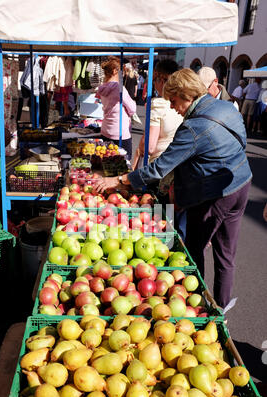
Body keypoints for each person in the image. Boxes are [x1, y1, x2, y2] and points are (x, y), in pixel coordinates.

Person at [93, 68, 253, 310]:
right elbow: (239, 142)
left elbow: (159, 167)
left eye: (174, 101)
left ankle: (192, 302)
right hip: (242, 183)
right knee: (226, 254)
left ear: (186, 95)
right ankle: (221, 307)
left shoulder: (193, 127)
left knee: (194, 249)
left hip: (215, 193)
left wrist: (120, 179)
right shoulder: (228, 108)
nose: (173, 107)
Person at [131, 59, 184, 239]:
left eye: (155, 80)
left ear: (161, 80)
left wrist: (138, 154)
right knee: (173, 224)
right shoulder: (186, 104)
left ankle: (164, 249)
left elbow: (150, 146)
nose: (154, 83)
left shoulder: (159, 105)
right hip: (180, 170)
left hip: (160, 172)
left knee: (158, 224)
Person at [95, 56, 136, 159]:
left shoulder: (102, 88)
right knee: (123, 164)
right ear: (115, 71)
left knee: (105, 161)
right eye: (121, 71)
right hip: (120, 132)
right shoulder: (119, 88)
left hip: (106, 129)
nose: (122, 74)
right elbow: (132, 109)